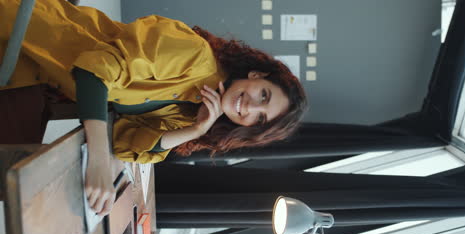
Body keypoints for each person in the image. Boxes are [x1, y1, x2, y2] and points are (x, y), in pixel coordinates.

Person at [0, 0, 307, 216]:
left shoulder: (199, 110)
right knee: (13, 178)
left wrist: (194, 129)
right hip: (20, 40)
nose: (250, 107)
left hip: (32, 82)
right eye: (263, 95)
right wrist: (96, 160)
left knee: (20, 180)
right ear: (256, 75)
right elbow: (95, 71)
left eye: (259, 118)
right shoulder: (193, 54)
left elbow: (125, 142)